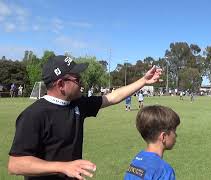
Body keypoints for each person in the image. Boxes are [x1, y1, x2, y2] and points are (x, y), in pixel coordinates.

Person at [7, 55, 162, 180]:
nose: (81, 83)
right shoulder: (33, 115)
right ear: (61, 84)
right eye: (77, 79)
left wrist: (144, 81)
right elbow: (16, 164)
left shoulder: (77, 104)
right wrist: (63, 167)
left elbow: (113, 97)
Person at [124, 105, 180, 180]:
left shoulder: (137, 160)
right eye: (174, 131)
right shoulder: (164, 170)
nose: (176, 135)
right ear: (163, 136)